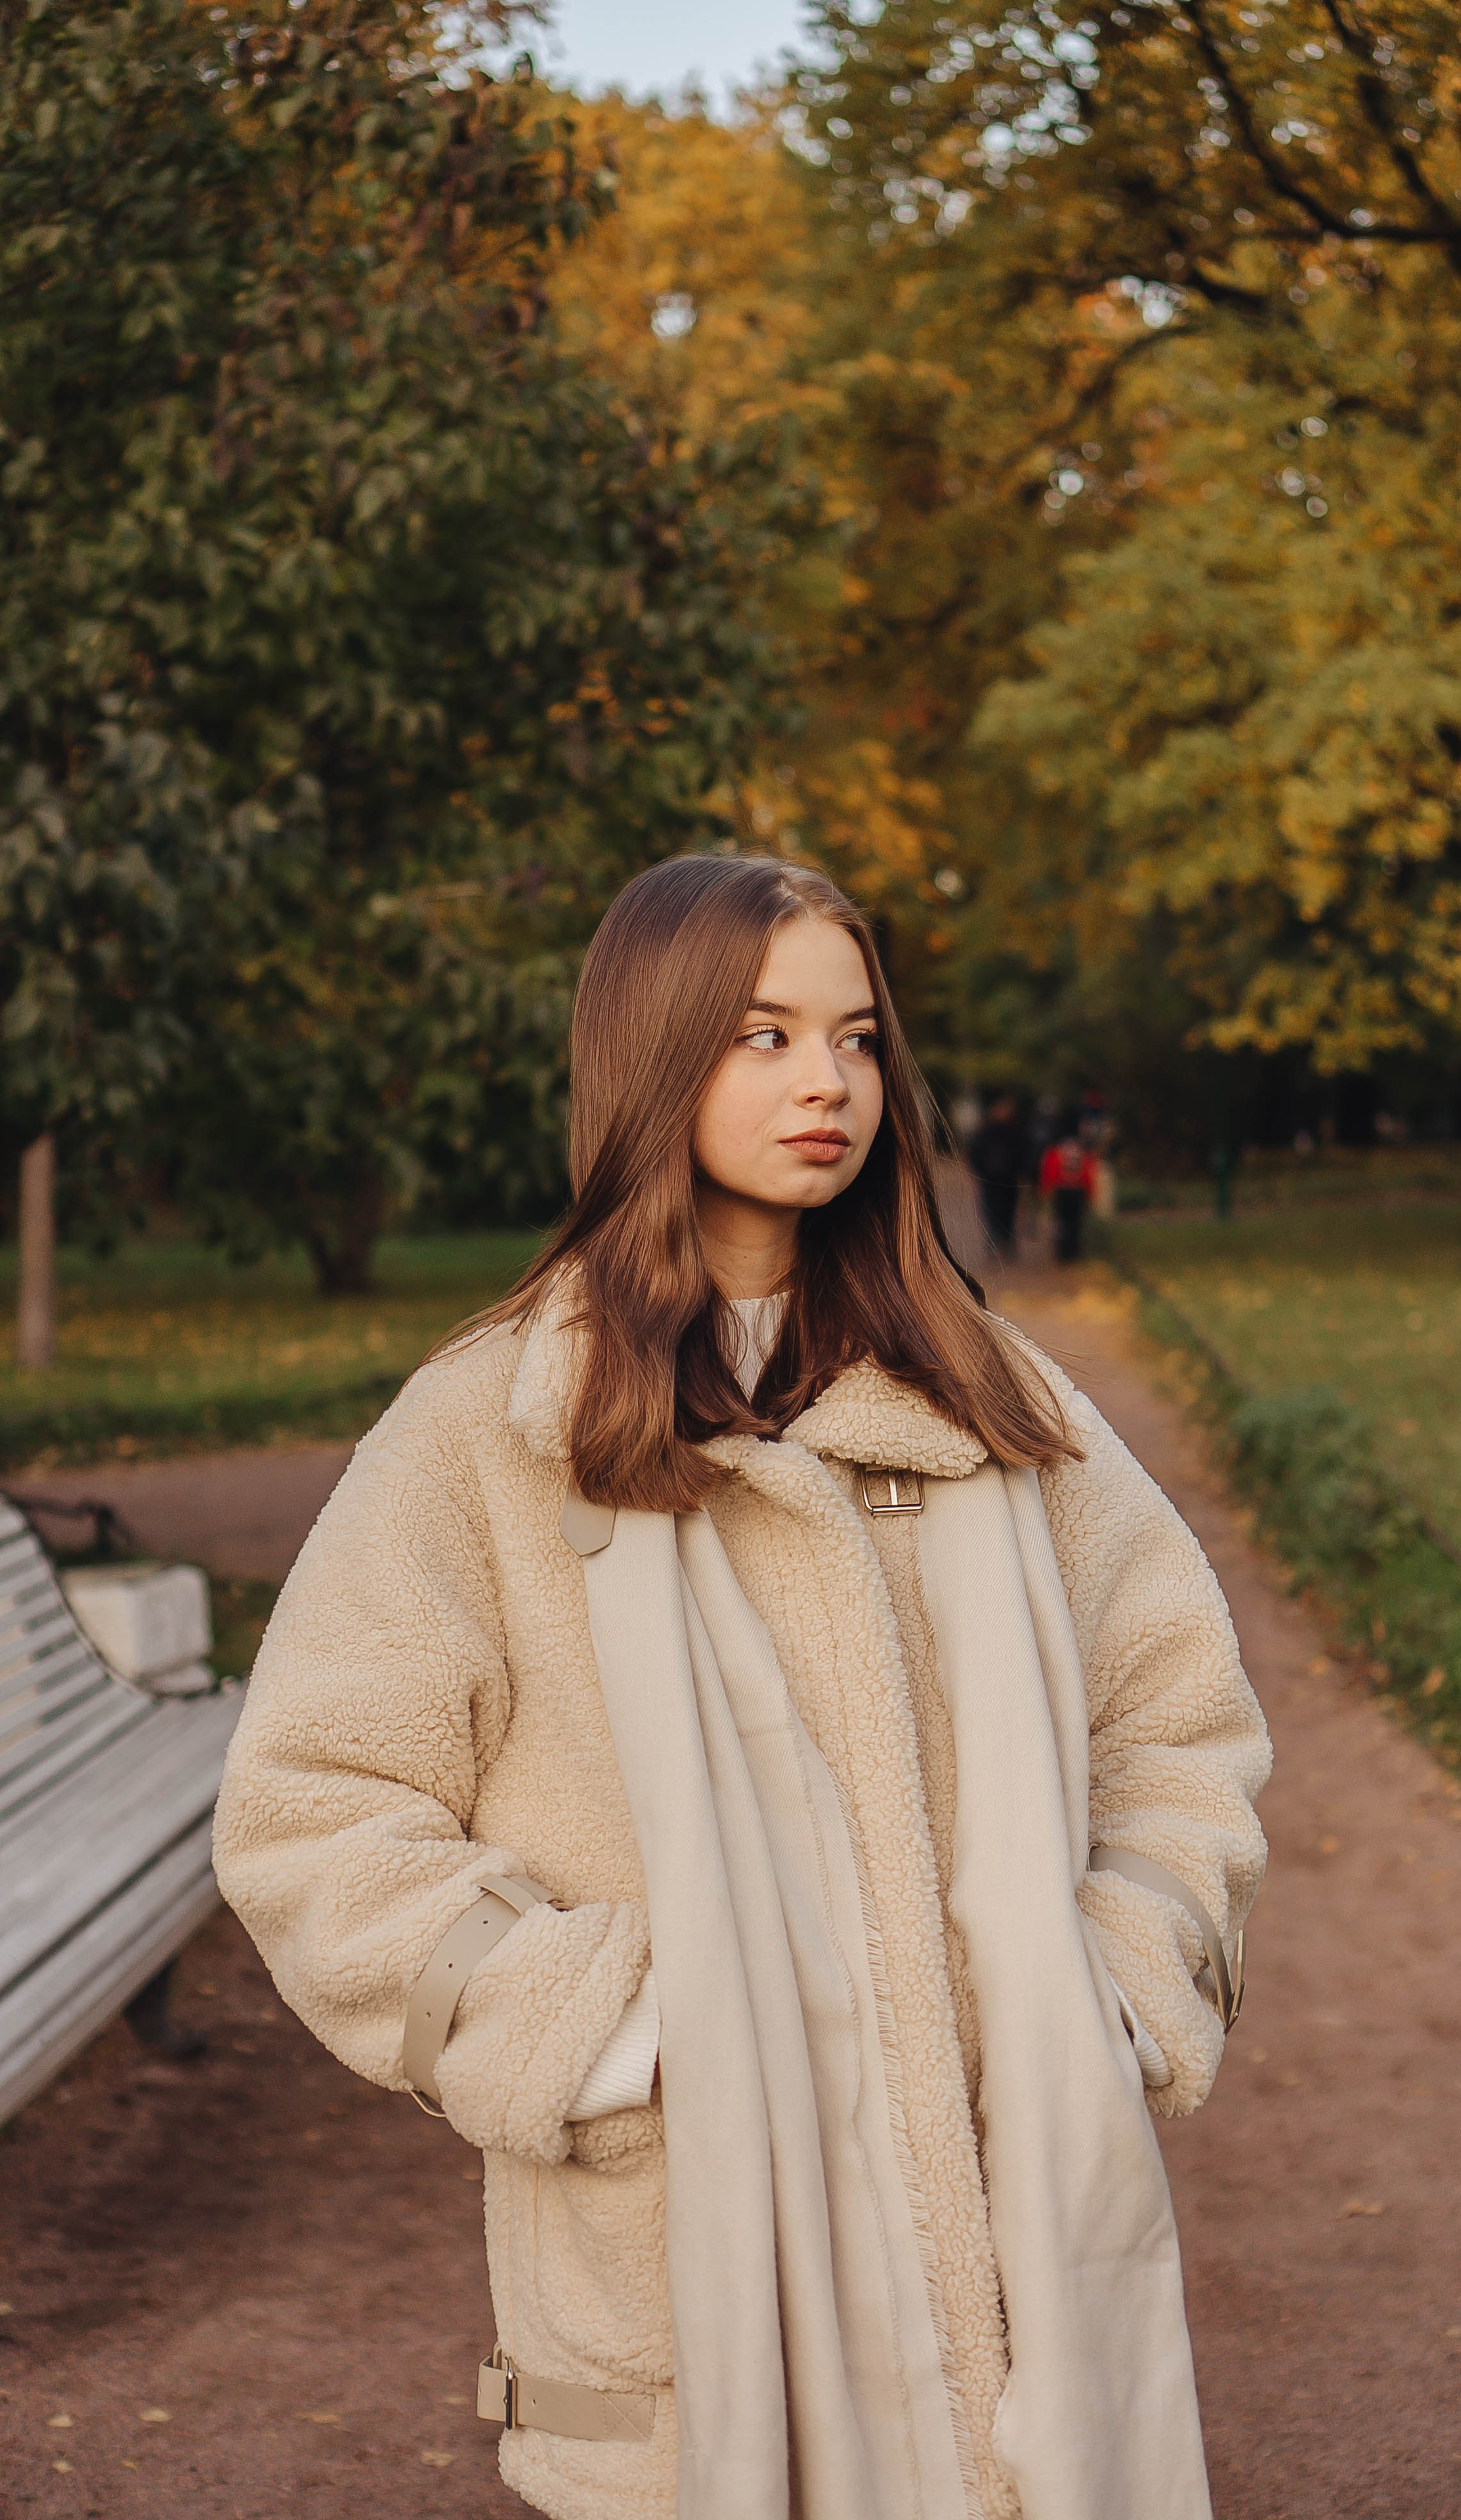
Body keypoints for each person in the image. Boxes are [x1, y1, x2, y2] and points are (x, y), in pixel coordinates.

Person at [213, 854, 1269, 2520]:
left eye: (853, 1037)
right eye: (762, 1034)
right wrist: (612, 2033)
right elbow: (310, 1808)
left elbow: (1177, 1710)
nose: (824, 1083)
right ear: (651, 1056)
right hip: (675, 2241)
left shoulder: (990, 1398)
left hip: (1009, 2223)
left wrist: (1111, 1982)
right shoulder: (488, 1426)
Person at [968, 1091, 1028, 1258]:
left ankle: (1007, 1241)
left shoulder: (1015, 1133)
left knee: (1008, 1211)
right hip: (990, 1179)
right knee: (991, 1210)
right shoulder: (986, 1133)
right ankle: (995, 1240)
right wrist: (979, 1172)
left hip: (1010, 1180)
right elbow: (975, 1153)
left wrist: (1021, 1172)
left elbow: (1023, 1153)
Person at [1040, 1123, 1098, 1263]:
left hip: (1061, 1191)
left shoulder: (1056, 1152)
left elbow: (1049, 1171)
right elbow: (1089, 1173)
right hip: (1078, 1191)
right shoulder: (1083, 1152)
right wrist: (1090, 1192)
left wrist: (1047, 1189)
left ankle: (1062, 1250)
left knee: (1062, 1221)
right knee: (1076, 1222)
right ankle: (1073, 1250)